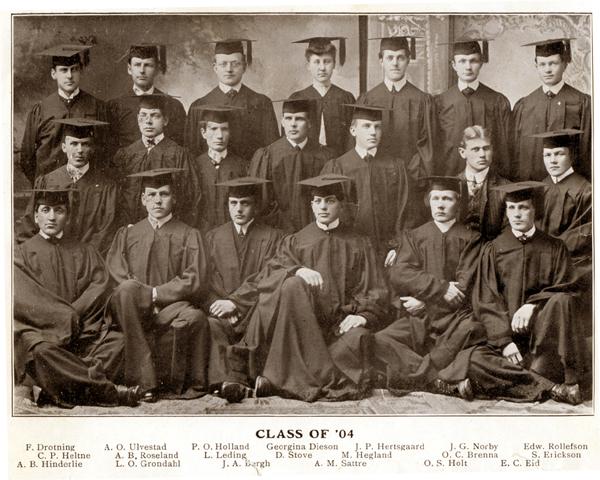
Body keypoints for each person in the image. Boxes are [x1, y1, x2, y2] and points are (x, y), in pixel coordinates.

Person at [374, 178, 577, 404]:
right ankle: (436, 380)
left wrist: (425, 293)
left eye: (447, 199)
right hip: (423, 319)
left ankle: (443, 379)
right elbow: (399, 273)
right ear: (428, 202)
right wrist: (435, 291)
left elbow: (463, 288)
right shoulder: (414, 236)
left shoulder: (473, 239)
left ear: (458, 204)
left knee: (470, 357)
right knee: (380, 340)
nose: (440, 205)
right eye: (436, 199)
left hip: (461, 320)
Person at [220, 174, 388, 403]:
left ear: (341, 203)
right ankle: (288, 379)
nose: (323, 207)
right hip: (301, 324)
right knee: (290, 285)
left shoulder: (359, 242)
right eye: (317, 201)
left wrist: (362, 317)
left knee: (359, 340)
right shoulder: (296, 241)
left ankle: (279, 381)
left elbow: (375, 288)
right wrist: (297, 270)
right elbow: (270, 274)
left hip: (341, 324)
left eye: (329, 201)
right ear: (311, 205)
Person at [14, 188, 141, 408]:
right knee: (40, 351)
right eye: (45, 210)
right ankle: (107, 391)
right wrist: (61, 318)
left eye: (59, 211)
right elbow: (24, 299)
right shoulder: (21, 254)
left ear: (68, 216)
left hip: (83, 332)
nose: (52, 217)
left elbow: (99, 286)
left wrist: (75, 315)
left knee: (119, 342)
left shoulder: (85, 251)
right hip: (44, 334)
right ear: (36, 216)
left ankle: (54, 385)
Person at [473, 182, 586, 405]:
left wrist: (532, 304)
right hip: (509, 340)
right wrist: (504, 341)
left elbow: (568, 286)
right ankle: (550, 385)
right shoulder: (494, 248)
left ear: (535, 210)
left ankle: (560, 377)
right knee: (474, 360)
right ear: (505, 211)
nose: (516, 214)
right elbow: (486, 299)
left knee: (562, 300)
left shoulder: (555, 246)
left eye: (523, 208)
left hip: (545, 338)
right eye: (511, 208)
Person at [106, 169, 210, 402]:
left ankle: (157, 384)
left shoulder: (189, 234)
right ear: (142, 199)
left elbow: (195, 278)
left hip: (172, 308)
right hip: (133, 311)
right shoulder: (127, 234)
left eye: (164, 194)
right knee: (126, 290)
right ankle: (144, 381)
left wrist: (156, 295)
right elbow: (118, 272)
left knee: (195, 319)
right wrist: (141, 297)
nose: (157, 200)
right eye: (151, 195)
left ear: (175, 198)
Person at [204, 177, 284, 391]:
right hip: (223, 311)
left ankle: (245, 378)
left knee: (264, 315)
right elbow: (208, 280)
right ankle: (226, 381)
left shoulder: (273, 237)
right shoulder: (213, 237)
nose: (238, 209)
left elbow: (269, 276)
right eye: (233, 203)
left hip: (255, 310)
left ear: (256, 205)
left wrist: (236, 303)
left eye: (245, 203)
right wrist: (222, 305)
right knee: (211, 325)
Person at [321, 104, 413, 260]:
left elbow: (407, 212)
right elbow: (328, 215)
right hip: (349, 251)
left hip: (389, 252)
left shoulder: (396, 166)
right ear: (353, 130)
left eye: (377, 127)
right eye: (367, 126)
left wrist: (398, 246)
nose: (373, 132)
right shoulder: (337, 167)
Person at [15, 118, 119, 255]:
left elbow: (106, 231)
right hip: (49, 256)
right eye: (74, 144)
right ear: (64, 147)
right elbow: (29, 225)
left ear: (92, 148)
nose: (79, 150)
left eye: (85, 144)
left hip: (89, 260)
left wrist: (83, 258)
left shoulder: (107, 187)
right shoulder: (47, 181)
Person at [19, 44, 109, 183]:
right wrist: (44, 182)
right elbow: (27, 157)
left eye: (74, 70)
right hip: (51, 190)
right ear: (53, 74)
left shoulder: (97, 106)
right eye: (64, 70)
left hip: (87, 187)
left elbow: (106, 149)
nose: (69, 76)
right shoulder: (41, 109)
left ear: (81, 71)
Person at [184, 39, 279, 161]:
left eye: (235, 64)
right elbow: (192, 152)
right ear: (215, 67)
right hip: (211, 177)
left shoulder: (261, 103)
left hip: (250, 176)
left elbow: (271, 150)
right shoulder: (199, 106)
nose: (229, 69)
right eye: (223, 64)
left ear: (244, 67)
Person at [249, 98, 335, 233]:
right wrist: (285, 227)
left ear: (309, 123)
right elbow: (263, 201)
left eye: (299, 119)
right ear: (282, 122)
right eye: (288, 118)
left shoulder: (325, 156)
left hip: (317, 231)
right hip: (278, 231)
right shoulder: (268, 155)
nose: (293, 124)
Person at [112, 94, 198, 226]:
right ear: (138, 119)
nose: (148, 121)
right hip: (131, 229)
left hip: (170, 228)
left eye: (155, 116)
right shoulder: (126, 154)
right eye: (143, 116)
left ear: (165, 120)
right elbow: (116, 198)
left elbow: (191, 197)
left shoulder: (178, 154)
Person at [356, 36, 435, 179]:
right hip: (374, 175)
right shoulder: (367, 99)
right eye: (390, 58)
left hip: (411, 176)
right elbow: (359, 143)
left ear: (408, 60)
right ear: (381, 61)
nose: (395, 63)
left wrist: (412, 173)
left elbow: (427, 145)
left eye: (400, 58)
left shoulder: (422, 100)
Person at [512, 38, 591, 181]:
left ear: (564, 64)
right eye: (542, 64)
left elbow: (587, 152)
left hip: (569, 189)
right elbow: (516, 154)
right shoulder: (525, 105)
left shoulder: (582, 102)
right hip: (531, 189)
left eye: (553, 63)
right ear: (536, 65)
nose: (547, 69)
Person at [434, 39, 512, 177]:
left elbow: (505, 148)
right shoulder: (440, 102)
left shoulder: (497, 101)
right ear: (453, 65)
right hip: (451, 179)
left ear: (481, 63)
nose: (468, 67)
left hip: (490, 180)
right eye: (462, 61)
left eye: (473, 61)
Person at [108, 44, 187, 149]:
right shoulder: (115, 106)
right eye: (137, 65)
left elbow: (179, 146)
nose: (142, 70)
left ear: (157, 69)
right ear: (129, 69)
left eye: (148, 65)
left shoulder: (173, 105)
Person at [289, 36, 355, 156]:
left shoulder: (346, 98)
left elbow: (352, 139)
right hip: (306, 162)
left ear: (334, 64)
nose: (322, 68)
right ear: (308, 66)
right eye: (316, 62)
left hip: (339, 163)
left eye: (327, 61)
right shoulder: (298, 98)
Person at [191, 105, 248, 233]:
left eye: (224, 129)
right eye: (213, 129)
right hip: (201, 233)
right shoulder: (194, 166)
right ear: (203, 133)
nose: (219, 136)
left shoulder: (242, 166)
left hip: (232, 234)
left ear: (230, 132)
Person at [456, 125, 510, 241]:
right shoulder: (451, 186)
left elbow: (508, 234)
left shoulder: (506, 188)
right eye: (475, 149)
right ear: (462, 152)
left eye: (486, 148)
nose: (482, 154)